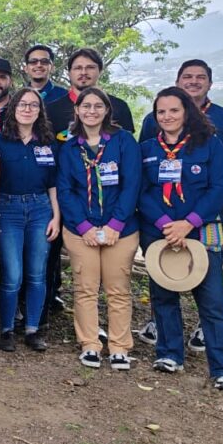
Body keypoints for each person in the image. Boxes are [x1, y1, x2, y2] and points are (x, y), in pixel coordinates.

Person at [136, 59, 223, 350]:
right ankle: (170, 353)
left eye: (174, 110)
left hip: (203, 224)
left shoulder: (211, 142)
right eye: (162, 111)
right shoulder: (148, 146)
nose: (167, 116)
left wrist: (192, 221)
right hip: (160, 227)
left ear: (187, 111)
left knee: (212, 298)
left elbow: (221, 184)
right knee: (163, 294)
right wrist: (165, 224)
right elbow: (143, 188)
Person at [56, 87, 140, 370]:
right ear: (77, 110)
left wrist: (116, 224)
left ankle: (119, 346)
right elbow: (65, 191)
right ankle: (90, 344)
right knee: (85, 288)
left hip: (121, 229)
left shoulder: (124, 141)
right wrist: (84, 227)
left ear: (106, 110)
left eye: (97, 106)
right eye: (86, 106)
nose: (91, 111)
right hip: (81, 230)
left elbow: (132, 185)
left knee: (118, 289)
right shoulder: (69, 147)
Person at [0, 88, 60, 353]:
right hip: (8, 209)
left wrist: (56, 216)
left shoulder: (48, 142)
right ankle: (6, 328)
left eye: (33, 105)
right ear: (13, 108)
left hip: (41, 209)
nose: (28, 109)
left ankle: (33, 328)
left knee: (37, 273)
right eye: (23, 104)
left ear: (40, 111)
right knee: (12, 274)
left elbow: (53, 183)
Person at [46, 48, 134, 141]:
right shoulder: (52, 110)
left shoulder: (119, 107)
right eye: (78, 68)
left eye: (90, 67)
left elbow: (127, 146)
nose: (83, 72)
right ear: (69, 73)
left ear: (100, 71)